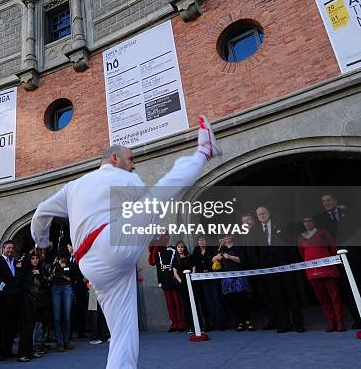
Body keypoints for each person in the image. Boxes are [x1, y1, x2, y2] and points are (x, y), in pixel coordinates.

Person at [31, 116, 221, 369]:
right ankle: (204, 152)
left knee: (122, 331)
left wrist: (41, 240)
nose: (133, 165)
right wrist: (154, 235)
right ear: (114, 159)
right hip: (112, 244)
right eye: (130, 159)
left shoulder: (73, 186)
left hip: (90, 264)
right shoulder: (126, 178)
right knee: (160, 192)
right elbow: (148, 207)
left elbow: (42, 211)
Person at [252, 206, 305, 333]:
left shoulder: (282, 226)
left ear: (269, 213)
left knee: (292, 295)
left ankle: (298, 324)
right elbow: (256, 252)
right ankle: (284, 324)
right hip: (269, 270)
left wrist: (294, 263)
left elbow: (291, 244)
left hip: (286, 267)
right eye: (259, 215)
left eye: (263, 213)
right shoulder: (255, 232)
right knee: (277, 297)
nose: (262, 216)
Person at [316, 194, 361, 329]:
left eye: (329, 200)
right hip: (336, 258)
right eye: (323, 201)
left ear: (335, 201)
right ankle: (357, 319)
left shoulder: (350, 213)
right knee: (347, 288)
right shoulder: (320, 219)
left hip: (356, 254)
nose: (327, 203)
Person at [298, 216, 345, 331]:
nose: (307, 223)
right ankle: (331, 321)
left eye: (309, 221)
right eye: (305, 221)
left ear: (314, 222)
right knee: (322, 299)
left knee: (335, 296)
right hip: (312, 271)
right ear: (303, 223)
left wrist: (329, 260)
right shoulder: (300, 237)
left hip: (327, 269)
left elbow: (333, 247)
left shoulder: (323, 233)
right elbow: (302, 253)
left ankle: (340, 322)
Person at [0, 240, 21, 361]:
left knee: (10, 327)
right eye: (8, 248)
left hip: (13, 300)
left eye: (12, 248)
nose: (10, 250)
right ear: (3, 249)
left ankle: (8, 350)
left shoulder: (16, 262)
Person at [213, 235, 253, 332]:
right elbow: (213, 260)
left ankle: (248, 321)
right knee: (232, 300)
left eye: (228, 235)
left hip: (239, 276)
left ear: (232, 236)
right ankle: (239, 321)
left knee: (243, 299)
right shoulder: (221, 248)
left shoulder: (238, 246)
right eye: (224, 236)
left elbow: (243, 260)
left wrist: (230, 257)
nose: (226, 237)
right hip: (227, 278)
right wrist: (216, 257)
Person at [148, 236, 185, 332]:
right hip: (164, 279)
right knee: (169, 303)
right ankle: (174, 323)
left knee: (177, 302)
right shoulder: (157, 252)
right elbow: (152, 262)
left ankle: (181, 322)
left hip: (174, 278)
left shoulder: (173, 249)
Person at [191, 235, 225, 331]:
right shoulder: (196, 252)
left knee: (216, 299)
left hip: (213, 278)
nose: (201, 242)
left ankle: (220, 323)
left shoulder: (212, 250)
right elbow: (194, 265)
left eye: (203, 240)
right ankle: (210, 324)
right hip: (202, 280)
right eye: (199, 240)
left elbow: (218, 259)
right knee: (207, 301)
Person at [172, 241, 201, 334]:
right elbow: (175, 273)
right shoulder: (175, 259)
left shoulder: (190, 257)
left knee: (195, 304)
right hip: (182, 285)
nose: (180, 249)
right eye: (179, 247)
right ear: (176, 249)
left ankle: (200, 325)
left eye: (182, 247)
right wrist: (181, 282)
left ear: (185, 248)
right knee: (185, 306)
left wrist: (191, 278)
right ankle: (190, 327)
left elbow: (194, 268)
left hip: (192, 282)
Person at [50, 248, 75, 351]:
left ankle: (66, 341)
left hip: (67, 288)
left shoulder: (70, 265)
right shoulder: (54, 265)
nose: (63, 260)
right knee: (57, 317)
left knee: (67, 316)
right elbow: (50, 278)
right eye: (61, 258)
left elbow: (73, 279)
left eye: (65, 258)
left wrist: (63, 275)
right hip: (56, 288)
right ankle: (59, 342)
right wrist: (55, 269)